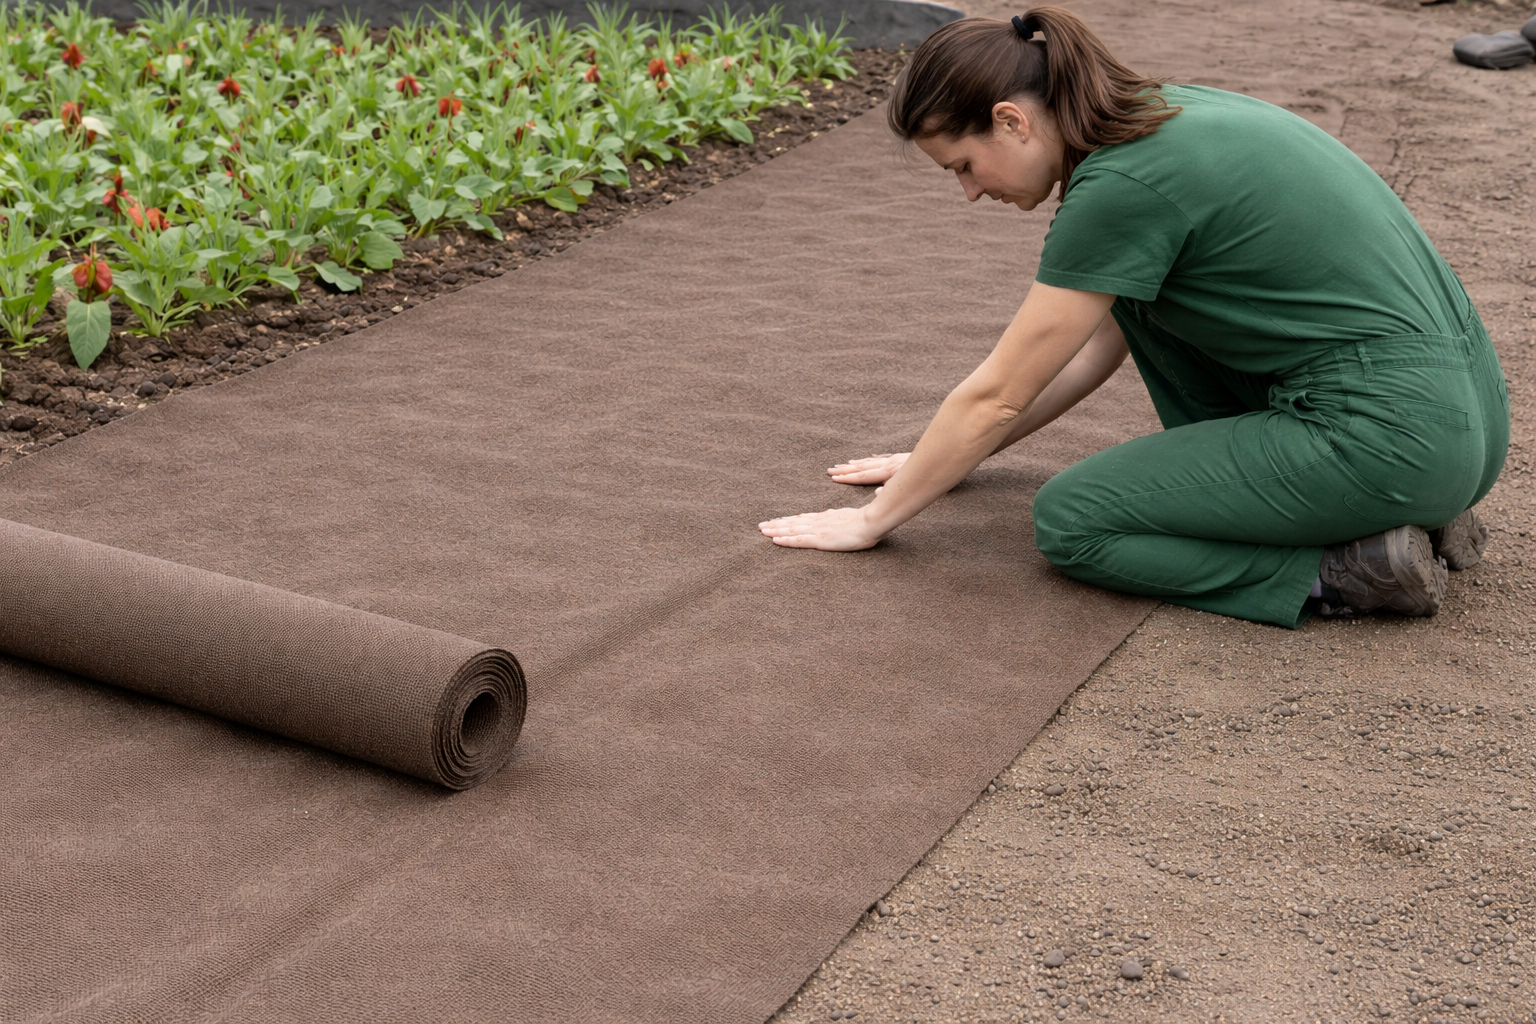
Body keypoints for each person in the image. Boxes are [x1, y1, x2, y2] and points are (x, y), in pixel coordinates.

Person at [757, 8, 1509, 629]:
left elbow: (1000, 393)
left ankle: (1347, 566)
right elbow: (1088, 353)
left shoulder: (1119, 187)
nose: (970, 194)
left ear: (1012, 120)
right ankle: (1410, 508)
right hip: (1467, 423)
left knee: (1075, 522)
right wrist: (938, 461)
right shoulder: (1169, 113)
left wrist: (874, 520)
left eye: (961, 165)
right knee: (1140, 307)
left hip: (1392, 437)